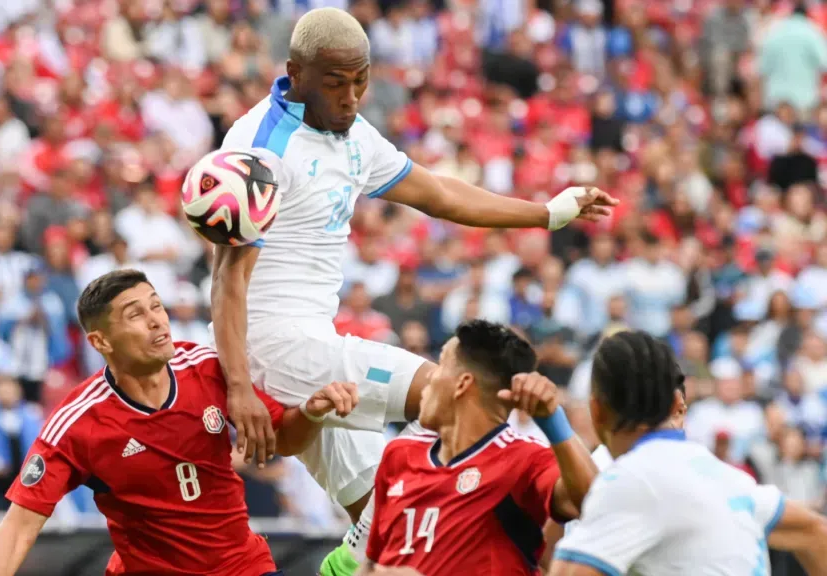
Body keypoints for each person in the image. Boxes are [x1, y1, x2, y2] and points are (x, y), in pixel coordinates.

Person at [211, 8, 617, 573]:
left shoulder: (352, 133)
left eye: (360, 81)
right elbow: (228, 276)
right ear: (296, 73)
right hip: (278, 347)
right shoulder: (261, 149)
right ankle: (564, 495)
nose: (351, 97)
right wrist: (239, 386)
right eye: (335, 83)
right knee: (456, 390)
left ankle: (348, 566)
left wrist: (546, 213)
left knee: (381, 517)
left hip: (315, 346)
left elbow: (438, 194)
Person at [0, 269, 360, 576]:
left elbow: (284, 440)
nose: (157, 321)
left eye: (156, 306)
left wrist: (311, 412)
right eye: (136, 314)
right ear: (100, 342)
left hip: (243, 567)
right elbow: (18, 527)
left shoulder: (209, 368)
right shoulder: (78, 423)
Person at [550, 331, 827, 576]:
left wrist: (554, 427)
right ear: (675, 403)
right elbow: (816, 532)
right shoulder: (726, 477)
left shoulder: (627, 481)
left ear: (596, 410)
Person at [358, 320, 598, 575]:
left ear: (462, 384)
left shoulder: (524, 459)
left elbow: (594, 503)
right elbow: (371, 565)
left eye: (441, 364)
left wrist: (554, 423)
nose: (429, 376)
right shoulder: (400, 454)